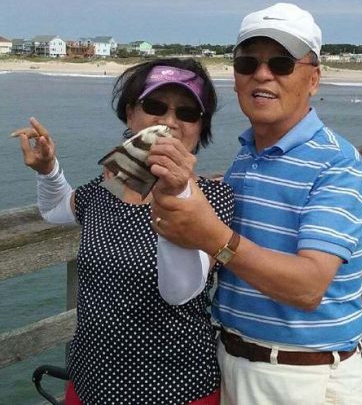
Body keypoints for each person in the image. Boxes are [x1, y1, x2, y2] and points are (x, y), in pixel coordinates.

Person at [152, 3, 362, 404]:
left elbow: (308, 287)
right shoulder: (246, 157)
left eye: (282, 64)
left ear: (313, 78)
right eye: (247, 62)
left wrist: (211, 235)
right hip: (230, 361)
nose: (262, 74)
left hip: (302, 376)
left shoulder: (337, 163)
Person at [13, 58, 234, 405]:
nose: (169, 122)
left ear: (199, 128)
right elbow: (57, 210)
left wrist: (175, 193)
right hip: (90, 383)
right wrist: (48, 169)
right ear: (131, 114)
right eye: (155, 106)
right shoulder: (108, 188)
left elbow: (180, 291)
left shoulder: (213, 198)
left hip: (176, 389)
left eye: (187, 113)